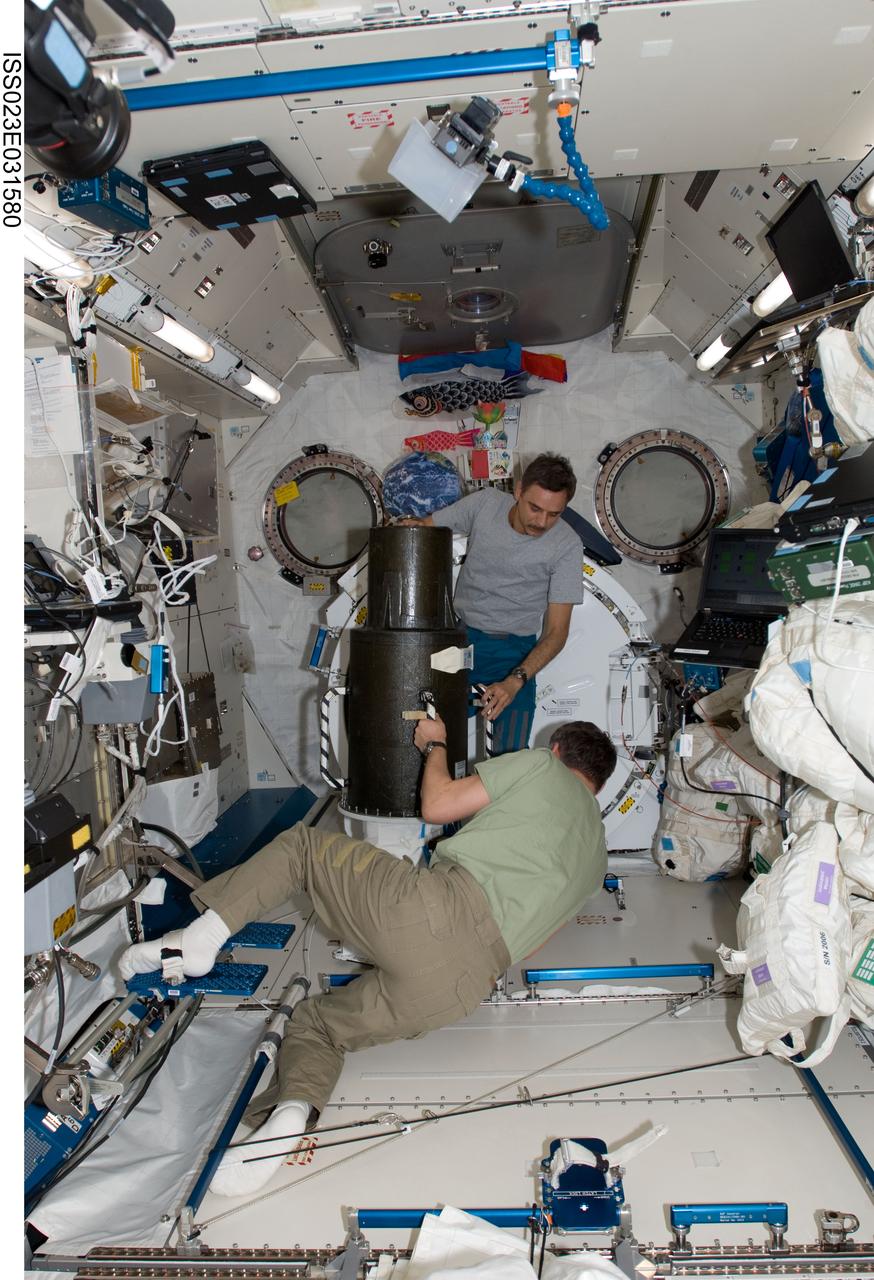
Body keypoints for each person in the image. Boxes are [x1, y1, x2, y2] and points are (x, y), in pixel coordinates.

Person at [118, 717, 616, 1199]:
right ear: (598, 784)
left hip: (432, 912)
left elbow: (438, 806)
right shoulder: (596, 860)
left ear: (557, 751)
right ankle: (290, 1112)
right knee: (318, 1027)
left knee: (301, 850)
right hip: (462, 987)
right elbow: (528, 946)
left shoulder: (540, 767)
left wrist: (435, 744)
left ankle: (199, 941)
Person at [401, 452, 583, 754]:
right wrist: (406, 526)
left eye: (554, 514)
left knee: (510, 759)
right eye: (534, 508)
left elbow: (556, 633)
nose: (541, 522)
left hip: (515, 654)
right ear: (518, 489)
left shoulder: (567, 545)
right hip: (459, 645)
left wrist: (515, 681)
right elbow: (424, 528)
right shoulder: (485, 503)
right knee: (427, 737)